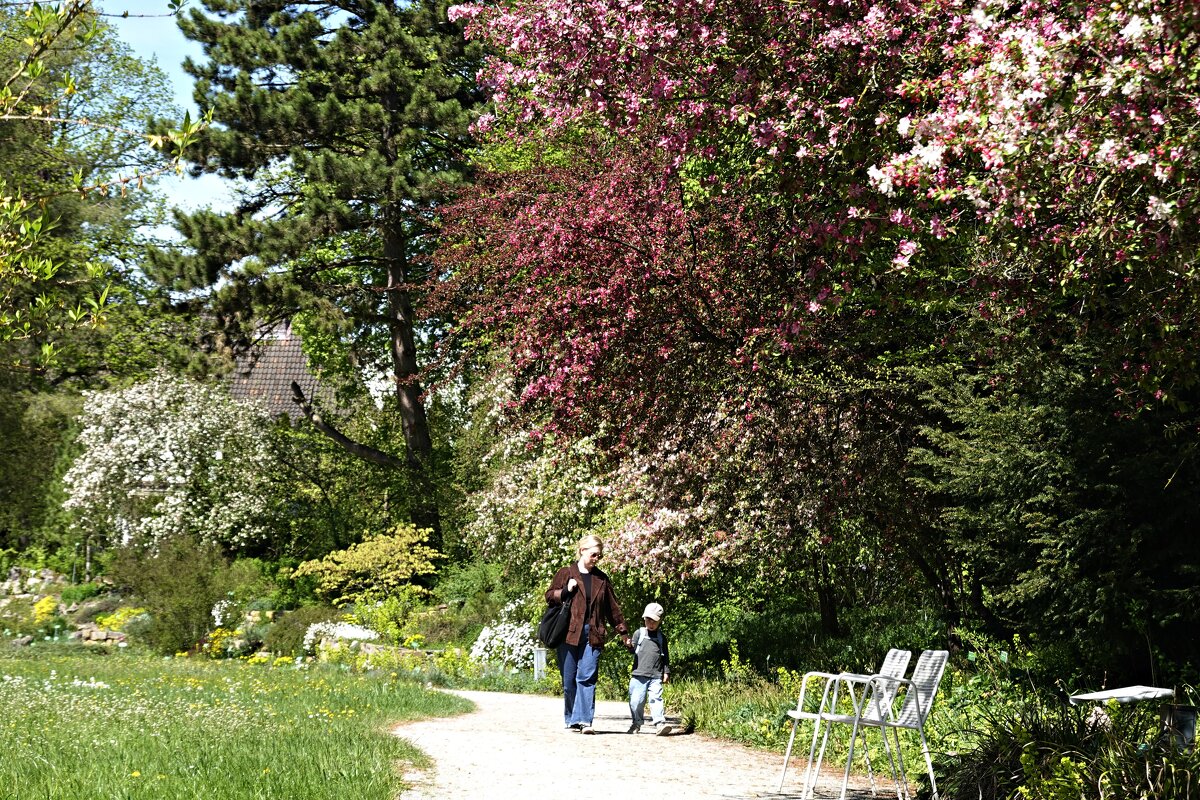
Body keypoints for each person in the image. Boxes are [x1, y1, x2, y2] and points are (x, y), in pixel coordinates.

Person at [545, 534, 631, 733]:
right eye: (593, 555)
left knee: (587, 677)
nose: (596, 559)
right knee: (569, 680)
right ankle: (571, 718)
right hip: (568, 633)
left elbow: (613, 609)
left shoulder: (602, 579)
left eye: (599, 556)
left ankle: (584, 721)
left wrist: (623, 632)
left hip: (594, 634)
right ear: (582, 550)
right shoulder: (566, 573)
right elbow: (550, 597)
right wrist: (566, 590)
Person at [627, 601, 672, 735]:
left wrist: (666, 672)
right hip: (638, 674)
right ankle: (636, 723)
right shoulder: (639, 633)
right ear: (644, 619)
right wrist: (629, 645)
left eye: (654, 621)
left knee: (656, 698)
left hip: (655, 675)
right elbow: (632, 650)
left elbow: (665, 656)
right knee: (636, 701)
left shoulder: (661, 638)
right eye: (648, 620)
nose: (650, 623)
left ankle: (660, 724)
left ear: (659, 621)